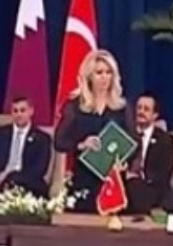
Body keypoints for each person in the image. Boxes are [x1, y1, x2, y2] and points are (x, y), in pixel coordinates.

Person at [54, 50, 133, 213]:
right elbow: (59, 141)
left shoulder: (122, 107)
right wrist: (82, 144)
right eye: (99, 73)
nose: (104, 77)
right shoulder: (75, 106)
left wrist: (126, 161)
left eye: (108, 72)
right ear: (89, 76)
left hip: (114, 179)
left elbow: (134, 141)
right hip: (84, 177)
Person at [0, 97, 51, 199]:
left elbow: (39, 169)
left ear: (31, 111)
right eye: (15, 111)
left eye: (22, 110)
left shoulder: (42, 138)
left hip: (28, 185)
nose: (19, 114)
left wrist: (11, 178)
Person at [124, 92, 173, 214]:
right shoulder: (125, 135)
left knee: (135, 188)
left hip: (152, 189)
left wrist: (139, 178)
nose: (141, 112)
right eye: (139, 108)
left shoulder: (165, 139)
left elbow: (164, 172)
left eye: (146, 109)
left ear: (155, 115)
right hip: (126, 186)